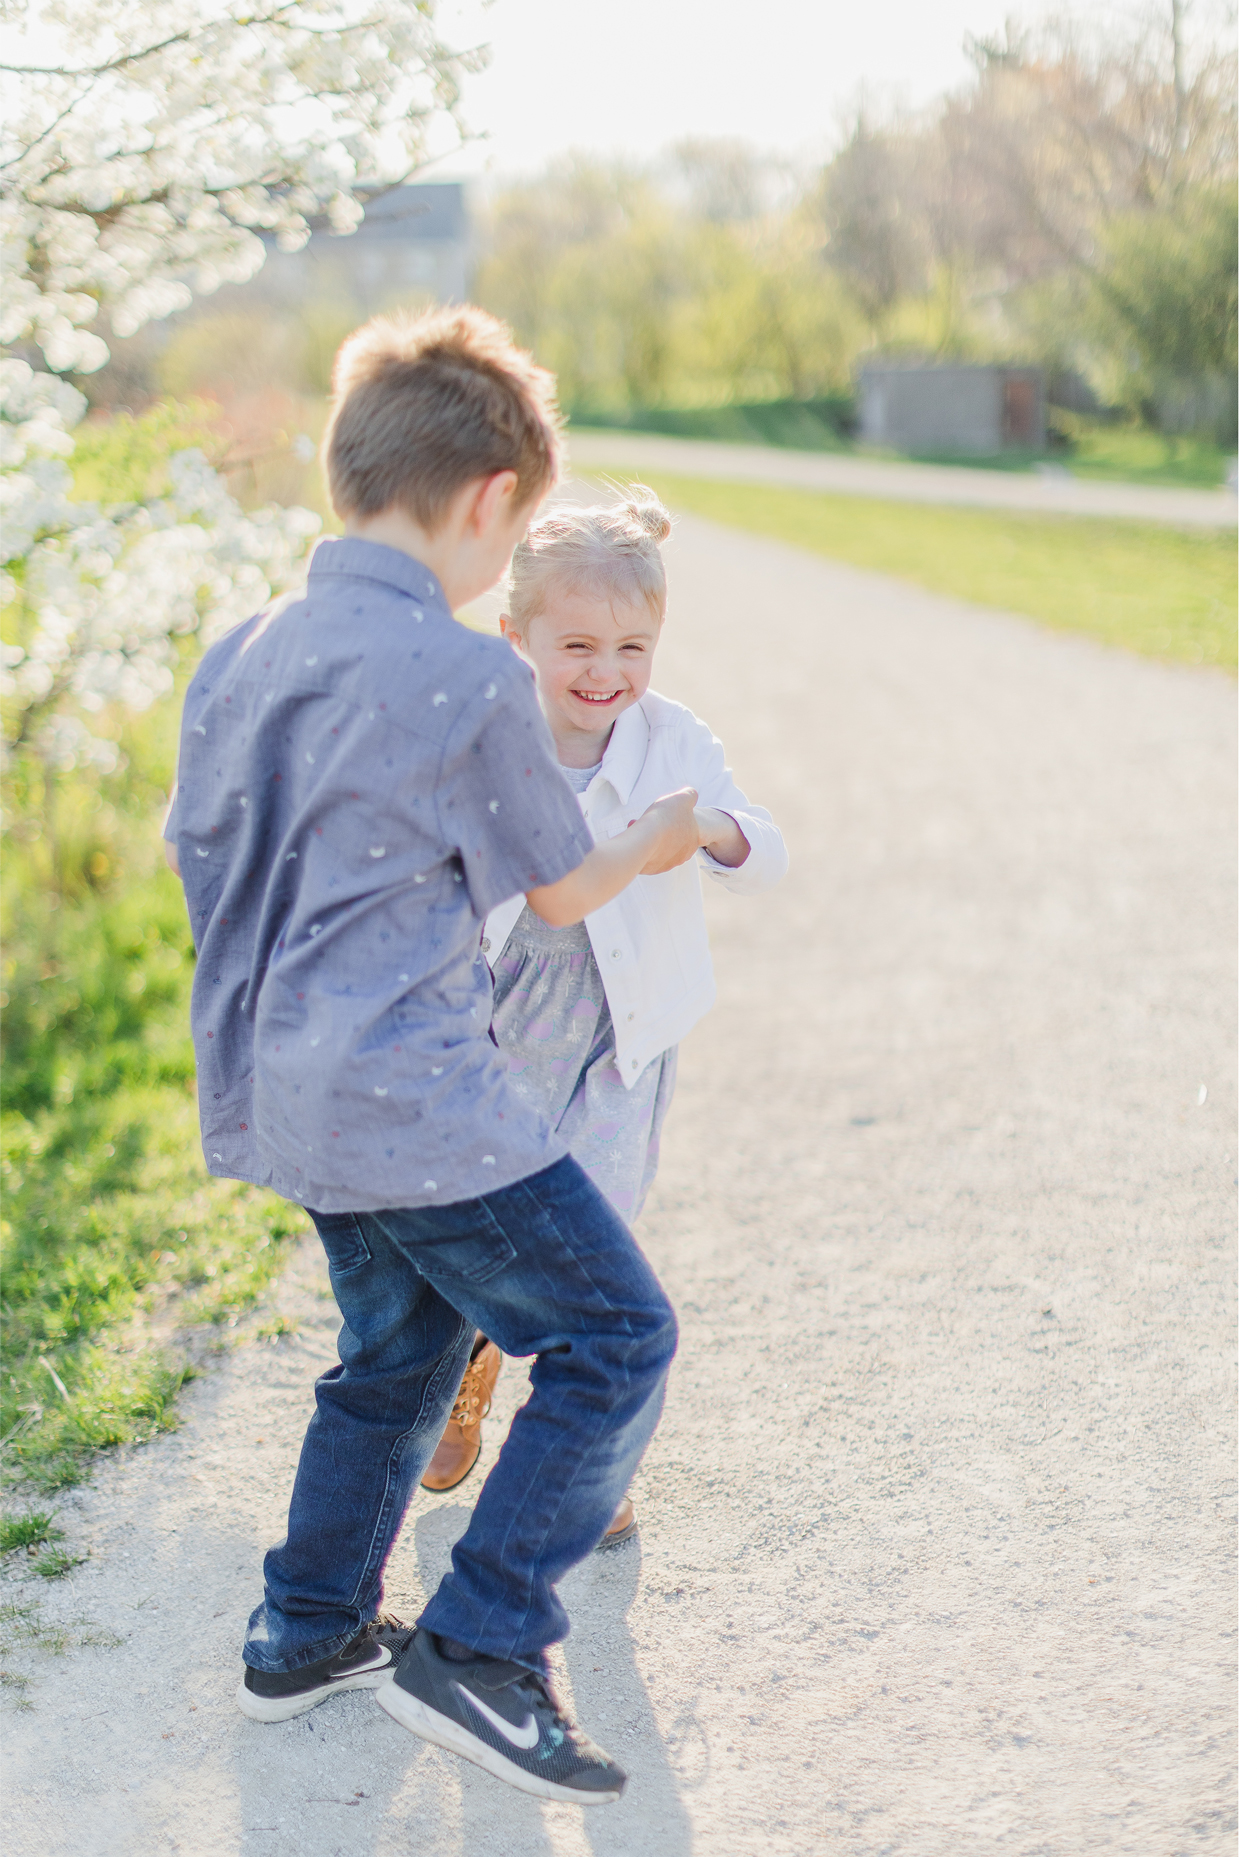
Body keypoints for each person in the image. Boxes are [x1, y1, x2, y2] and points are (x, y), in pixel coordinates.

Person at [169, 305, 701, 1804]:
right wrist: (657, 835)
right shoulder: (470, 681)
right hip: (425, 1101)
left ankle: (310, 1624)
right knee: (617, 1338)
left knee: (398, 1356)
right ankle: (479, 1645)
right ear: (488, 506)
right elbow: (560, 888)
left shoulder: (238, 651)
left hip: (284, 1091)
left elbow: (205, 861)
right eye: (512, 532)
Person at [417, 485, 787, 1546]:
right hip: (501, 1028)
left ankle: (584, 1459)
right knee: (489, 1232)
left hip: (620, 1041)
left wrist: (710, 830)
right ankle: (470, 1363)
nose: (606, 673)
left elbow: (769, 856)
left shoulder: (673, 745)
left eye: (633, 646)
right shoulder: (486, 737)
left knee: (599, 1248)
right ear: (515, 636)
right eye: (577, 644)